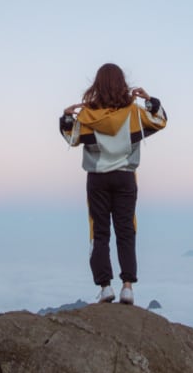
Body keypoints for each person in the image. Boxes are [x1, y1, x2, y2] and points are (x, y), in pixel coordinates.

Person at [59, 63, 167, 305]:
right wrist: (150, 101)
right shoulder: (133, 113)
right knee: (126, 230)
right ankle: (127, 287)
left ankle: (105, 286)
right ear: (122, 83)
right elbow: (159, 122)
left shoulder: (86, 115)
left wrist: (66, 117)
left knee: (99, 232)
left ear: (96, 84)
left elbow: (72, 138)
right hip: (125, 177)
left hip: (97, 178)